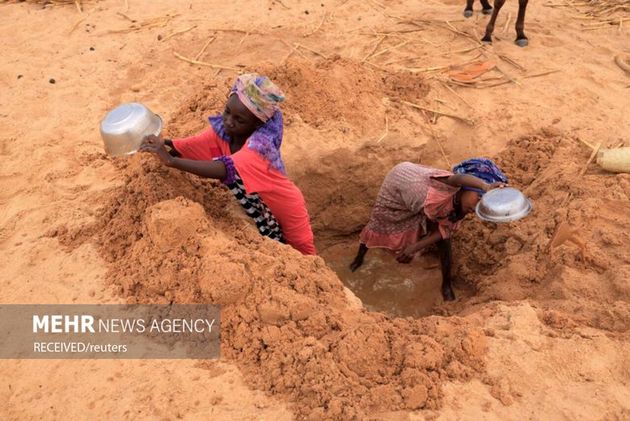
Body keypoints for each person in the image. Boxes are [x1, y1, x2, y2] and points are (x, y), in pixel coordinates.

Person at [139, 73, 316, 255]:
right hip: (259, 204)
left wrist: (171, 161)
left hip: (287, 207)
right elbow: (188, 146)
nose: (229, 122)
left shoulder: (260, 148)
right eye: (227, 112)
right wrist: (159, 144)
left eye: (239, 120)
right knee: (274, 250)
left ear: (257, 125)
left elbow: (225, 169)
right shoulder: (222, 132)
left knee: (304, 252)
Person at [349, 158, 508, 301]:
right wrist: (485, 186)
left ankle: (446, 285)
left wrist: (414, 247)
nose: (478, 206)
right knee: (379, 222)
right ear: (463, 188)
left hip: (430, 200)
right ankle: (359, 258)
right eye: (479, 198)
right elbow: (458, 179)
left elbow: (445, 230)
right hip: (401, 183)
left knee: (445, 241)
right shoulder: (448, 184)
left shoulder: (464, 203)